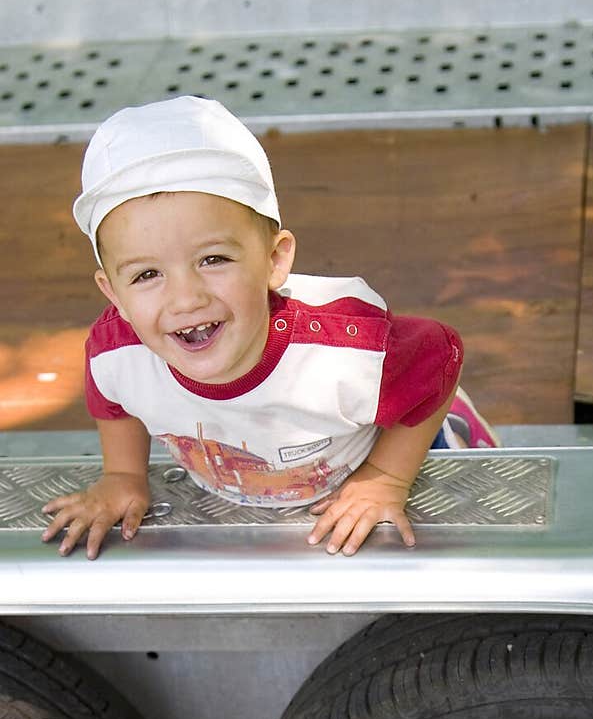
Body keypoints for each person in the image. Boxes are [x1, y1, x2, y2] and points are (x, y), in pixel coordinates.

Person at [42, 95, 498, 560]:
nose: (186, 298)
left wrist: (386, 479)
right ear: (113, 293)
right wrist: (124, 475)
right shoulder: (117, 352)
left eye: (213, 259)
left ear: (275, 259)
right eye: (146, 275)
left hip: (397, 428)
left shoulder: (346, 353)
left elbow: (439, 355)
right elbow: (112, 397)